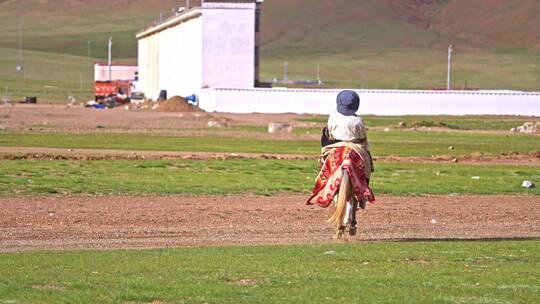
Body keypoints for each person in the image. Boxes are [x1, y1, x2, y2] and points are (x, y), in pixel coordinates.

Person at [321, 90, 374, 208]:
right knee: (367, 165)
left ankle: (325, 183)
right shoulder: (358, 121)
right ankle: (363, 193)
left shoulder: (332, 117)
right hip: (355, 147)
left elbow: (329, 134)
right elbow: (362, 137)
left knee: (324, 159)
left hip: (335, 146)